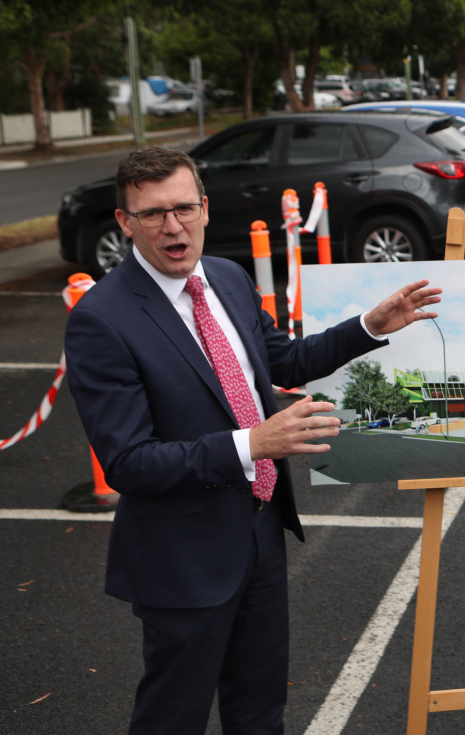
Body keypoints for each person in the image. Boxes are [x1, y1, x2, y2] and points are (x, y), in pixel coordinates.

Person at [64, 147, 442, 735]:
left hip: (260, 533)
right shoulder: (101, 320)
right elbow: (129, 463)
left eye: (184, 208)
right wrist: (252, 445)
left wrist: (369, 326)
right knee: (173, 717)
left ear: (206, 209)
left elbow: (281, 359)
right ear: (124, 222)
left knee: (260, 710)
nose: (172, 226)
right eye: (152, 214)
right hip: (183, 557)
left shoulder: (229, 278)